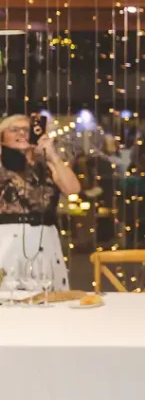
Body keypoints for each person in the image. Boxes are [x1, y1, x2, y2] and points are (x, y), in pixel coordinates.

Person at [0, 114, 80, 291]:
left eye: (26, 130)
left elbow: (73, 189)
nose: (21, 133)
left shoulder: (46, 165)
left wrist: (52, 155)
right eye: (14, 130)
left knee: (48, 296)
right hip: (7, 238)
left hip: (46, 238)